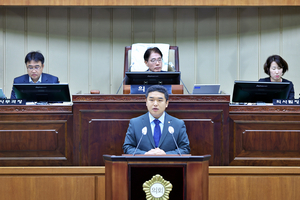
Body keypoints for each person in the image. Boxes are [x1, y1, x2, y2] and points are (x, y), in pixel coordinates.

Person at [123, 85, 190, 155]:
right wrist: (145, 154)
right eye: (151, 100)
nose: (155, 104)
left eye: (160, 100)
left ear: (166, 103)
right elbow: (127, 147)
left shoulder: (178, 124)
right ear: (146, 102)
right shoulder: (135, 123)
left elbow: (185, 149)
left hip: (169, 164)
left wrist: (166, 155)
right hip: (142, 164)